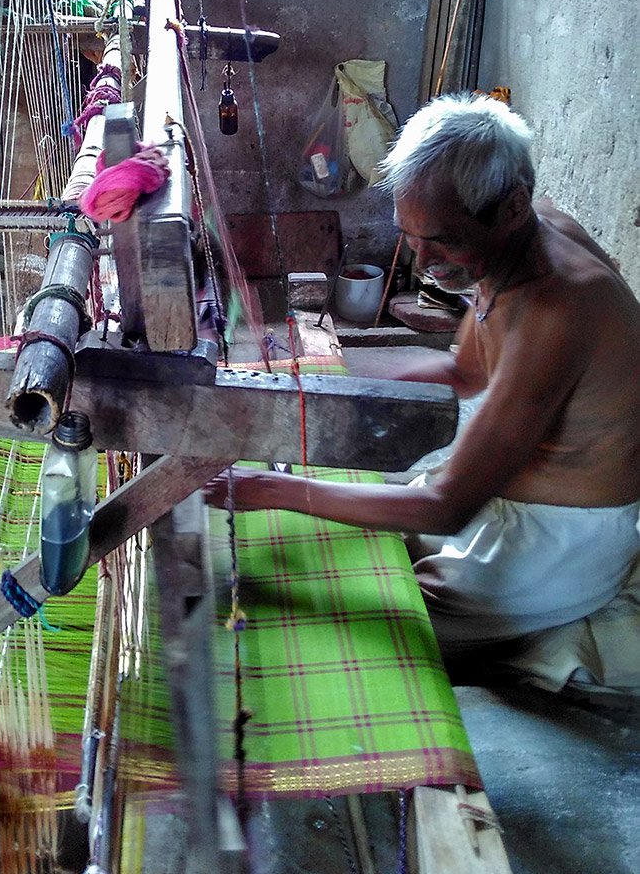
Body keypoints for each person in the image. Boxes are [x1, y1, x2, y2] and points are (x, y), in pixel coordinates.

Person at [205, 93, 640, 657]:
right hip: (509, 494)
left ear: (513, 206)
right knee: (359, 537)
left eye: (443, 240)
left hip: (563, 533)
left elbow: (448, 508)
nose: (421, 259)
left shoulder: (555, 308)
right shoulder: (522, 239)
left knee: (378, 624)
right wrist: (315, 400)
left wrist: (273, 488)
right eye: (410, 234)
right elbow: (464, 370)